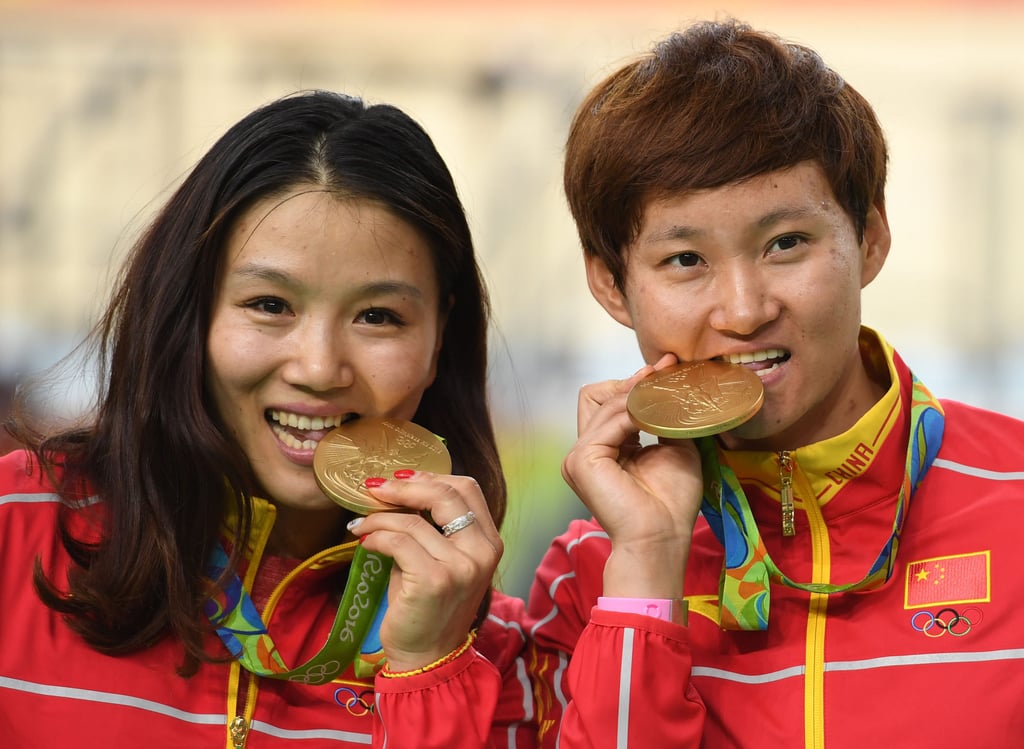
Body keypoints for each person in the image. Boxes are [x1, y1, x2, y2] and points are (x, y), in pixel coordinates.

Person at [526, 18, 1024, 747]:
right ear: (611, 284)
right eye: (685, 260)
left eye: (786, 243)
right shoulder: (590, 573)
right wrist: (645, 571)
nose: (745, 309)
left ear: (871, 238)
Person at [0, 90, 536, 748]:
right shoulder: (17, 522)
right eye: (269, 303)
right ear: (192, 313)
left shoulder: (497, 654)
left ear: (438, 344)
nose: (318, 367)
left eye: (377, 316)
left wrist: (428, 673)